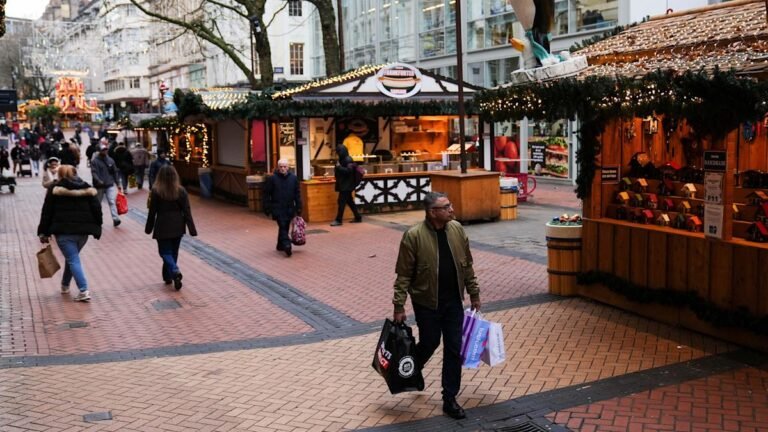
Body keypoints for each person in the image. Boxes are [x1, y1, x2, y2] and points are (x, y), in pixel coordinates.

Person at [391, 191, 481, 420]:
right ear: (433, 212)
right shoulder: (413, 236)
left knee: (453, 348)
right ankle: (412, 369)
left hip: (453, 302)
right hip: (426, 303)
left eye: (450, 205)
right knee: (430, 342)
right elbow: (403, 275)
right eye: (446, 207)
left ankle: (449, 398)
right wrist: (399, 306)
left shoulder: (457, 229)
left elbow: (467, 264)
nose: (452, 210)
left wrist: (474, 293)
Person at [37, 164, 103, 302]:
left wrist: (43, 231)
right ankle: (65, 285)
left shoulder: (54, 189)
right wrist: (98, 226)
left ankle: (83, 290)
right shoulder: (86, 188)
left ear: (60, 174)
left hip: (63, 232)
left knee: (73, 259)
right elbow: (97, 209)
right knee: (72, 258)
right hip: (83, 233)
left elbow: (47, 211)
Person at [144, 165, 197, 289]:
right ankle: (169, 276)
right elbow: (187, 211)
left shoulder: (156, 191)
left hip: (162, 225)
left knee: (165, 252)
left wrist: (149, 227)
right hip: (178, 225)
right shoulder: (181, 191)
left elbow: (152, 212)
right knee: (173, 252)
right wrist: (192, 229)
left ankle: (174, 271)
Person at [263, 159, 302, 257]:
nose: (283, 168)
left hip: (289, 207)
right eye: (281, 167)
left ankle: (280, 245)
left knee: (285, 226)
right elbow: (266, 194)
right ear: (278, 167)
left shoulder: (293, 178)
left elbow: (297, 194)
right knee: (282, 225)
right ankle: (286, 244)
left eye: (285, 167)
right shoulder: (272, 179)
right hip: (277, 207)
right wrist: (267, 207)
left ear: (288, 167)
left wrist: (299, 207)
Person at [90, 143, 122, 227]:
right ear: (99, 151)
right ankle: (98, 220)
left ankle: (115, 219)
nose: (105, 151)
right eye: (103, 150)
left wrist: (118, 183)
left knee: (112, 201)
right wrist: (98, 180)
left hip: (109, 184)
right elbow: (94, 172)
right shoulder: (95, 161)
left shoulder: (110, 160)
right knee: (98, 203)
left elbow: (115, 172)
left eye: (106, 149)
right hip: (99, 186)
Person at [330, 144, 362, 226]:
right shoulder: (343, 159)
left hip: (346, 185)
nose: (337, 154)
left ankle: (339, 220)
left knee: (341, 202)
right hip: (345, 184)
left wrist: (338, 167)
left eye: (338, 152)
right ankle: (358, 217)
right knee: (349, 201)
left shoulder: (348, 159)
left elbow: (349, 171)